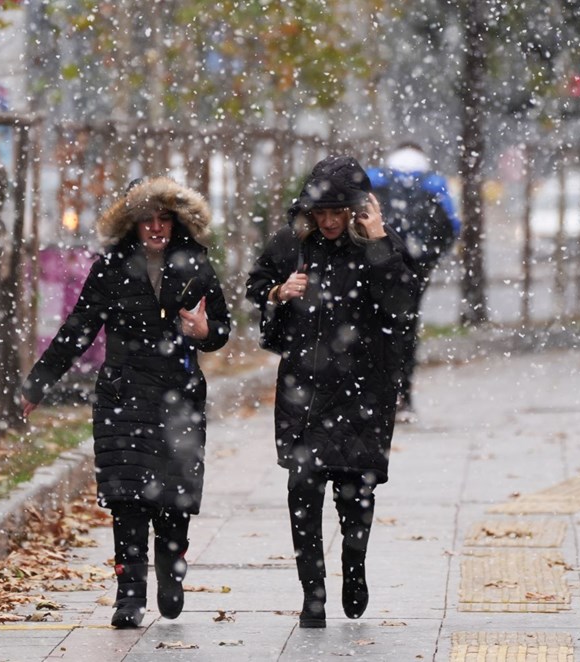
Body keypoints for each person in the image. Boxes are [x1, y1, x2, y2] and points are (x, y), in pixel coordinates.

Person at [20, 177, 231, 627]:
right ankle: (129, 596)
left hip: (179, 397)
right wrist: (38, 384)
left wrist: (203, 332)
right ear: (130, 224)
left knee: (175, 498)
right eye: (146, 220)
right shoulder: (110, 267)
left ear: (176, 221)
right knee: (128, 498)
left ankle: (171, 572)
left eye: (164, 219)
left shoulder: (197, 264)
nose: (156, 228)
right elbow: (79, 328)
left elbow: (221, 330)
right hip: (124, 395)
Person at [246, 155, 417, 628]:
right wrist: (279, 293)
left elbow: (402, 304)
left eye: (337, 213)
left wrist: (381, 240)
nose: (328, 221)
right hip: (305, 390)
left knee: (354, 492)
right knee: (302, 489)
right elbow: (256, 287)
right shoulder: (292, 244)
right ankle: (312, 592)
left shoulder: (380, 246)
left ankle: (355, 566)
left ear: (356, 210)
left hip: (365, 391)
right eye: (321, 213)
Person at [366, 143, 460, 421]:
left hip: (376, 262)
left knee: (371, 325)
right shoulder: (432, 183)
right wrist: (429, 258)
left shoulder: (375, 178)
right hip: (416, 266)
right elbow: (452, 226)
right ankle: (402, 398)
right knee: (405, 328)